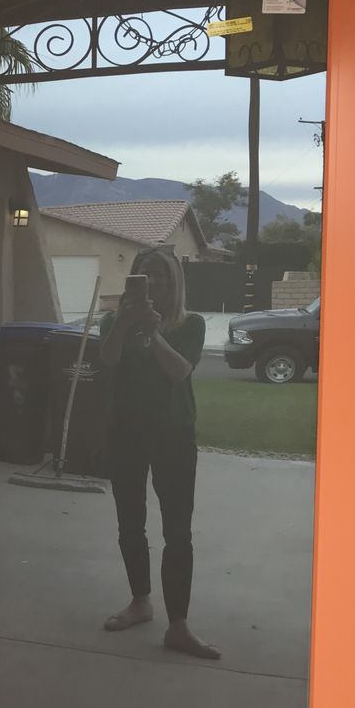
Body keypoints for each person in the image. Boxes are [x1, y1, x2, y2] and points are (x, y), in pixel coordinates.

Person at [98, 247, 219, 660]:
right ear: (134, 280)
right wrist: (125, 324)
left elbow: (180, 370)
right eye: (145, 275)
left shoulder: (191, 324)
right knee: (130, 522)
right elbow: (108, 361)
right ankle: (140, 602)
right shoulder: (114, 321)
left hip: (173, 435)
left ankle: (179, 626)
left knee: (177, 532)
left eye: (162, 275)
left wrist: (153, 332)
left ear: (175, 281)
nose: (154, 282)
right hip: (125, 434)